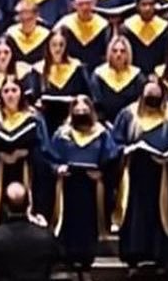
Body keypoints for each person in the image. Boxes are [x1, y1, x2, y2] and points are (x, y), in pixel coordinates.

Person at [111, 78, 168, 277]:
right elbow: (115, 143)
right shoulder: (128, 114)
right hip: (138, 174)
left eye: (156, 96)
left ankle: (164, 257)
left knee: (164, 214)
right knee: (137, 216)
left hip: (165, 174)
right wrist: (127, 151)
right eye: (148, 97)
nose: (152, 100)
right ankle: (135, 258)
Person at [46, 95, 115, 278]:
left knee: (88, 222)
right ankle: (68, 260)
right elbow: (50, 157)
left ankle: (86, 261)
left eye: (84, 110)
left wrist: (102, 172)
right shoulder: (62, 134)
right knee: (69, 221)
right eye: (77, 111)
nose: (81, 112)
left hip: (91, 186)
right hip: (68, 183)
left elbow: (112, 157)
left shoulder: (102, 133)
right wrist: (57, 168)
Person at [0, 77, 50, 224]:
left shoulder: (33, 117)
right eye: (6, 91)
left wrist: (25, 153)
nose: (10, 95)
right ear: (0, 94)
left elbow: (43, 147)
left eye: (14, 90)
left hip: (26, 167)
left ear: (21, 93)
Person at [0, 182, 60, 281]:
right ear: (29, 205)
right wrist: (46, 230)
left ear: (4, 206)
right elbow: (59, 255)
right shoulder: (44, 237)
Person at [38, 32, 92, 131]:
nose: (58, 49)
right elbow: (35, 98)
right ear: (48, 46)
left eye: (61, 44)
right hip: (46, 120)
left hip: (73, 119)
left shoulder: (77, 67)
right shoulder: (38, 69)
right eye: (54, 45)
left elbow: (86, 94)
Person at [90, 37, 145, 126]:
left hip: (130, 124)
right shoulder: (98, 75)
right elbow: (96, 103)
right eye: (114, 51)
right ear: (109, 53)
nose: (118, 54)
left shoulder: (137, 77)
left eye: (123, 51)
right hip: (104, 124)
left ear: (128, 54)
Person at [118, 0, 168, 74]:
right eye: (143, 4)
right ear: (137, 6)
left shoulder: (165, 29)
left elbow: (166, 59)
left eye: (151, 4)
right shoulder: (126, 29)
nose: (147, 8)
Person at [56, 0, 112, 69]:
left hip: (97, 70)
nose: (85, 8)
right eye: (80, 4)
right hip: (71, 70)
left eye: (88, 3)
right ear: (73, 5)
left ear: (94, 3)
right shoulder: (65, 25)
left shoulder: (104, 25)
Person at [5, 0, 52, 66]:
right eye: (22, 20)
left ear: (37, 17)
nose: (26, 23)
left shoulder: (47, 36)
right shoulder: (10, 36)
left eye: (29, 19)